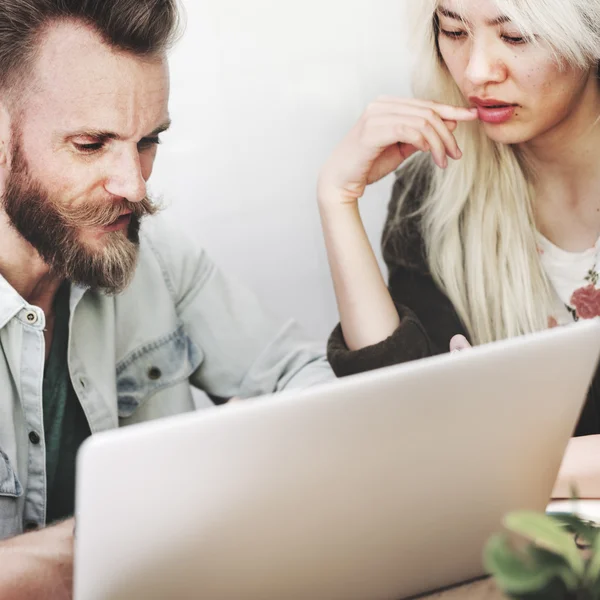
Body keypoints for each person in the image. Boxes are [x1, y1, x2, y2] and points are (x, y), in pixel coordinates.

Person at [0, 0, 334, 596]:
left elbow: (311, 384)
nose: (134, 184)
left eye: (147, 141)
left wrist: (260, 447)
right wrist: (103, 540)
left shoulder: (154, 256)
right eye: (90, 144)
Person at [317, 0, 600, 490]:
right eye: (453, 31)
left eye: (515, 37)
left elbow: (437, 467)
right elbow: (404, 416)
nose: (476, 70)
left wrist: (500, 469)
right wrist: (337, 200)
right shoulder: (437, 192)